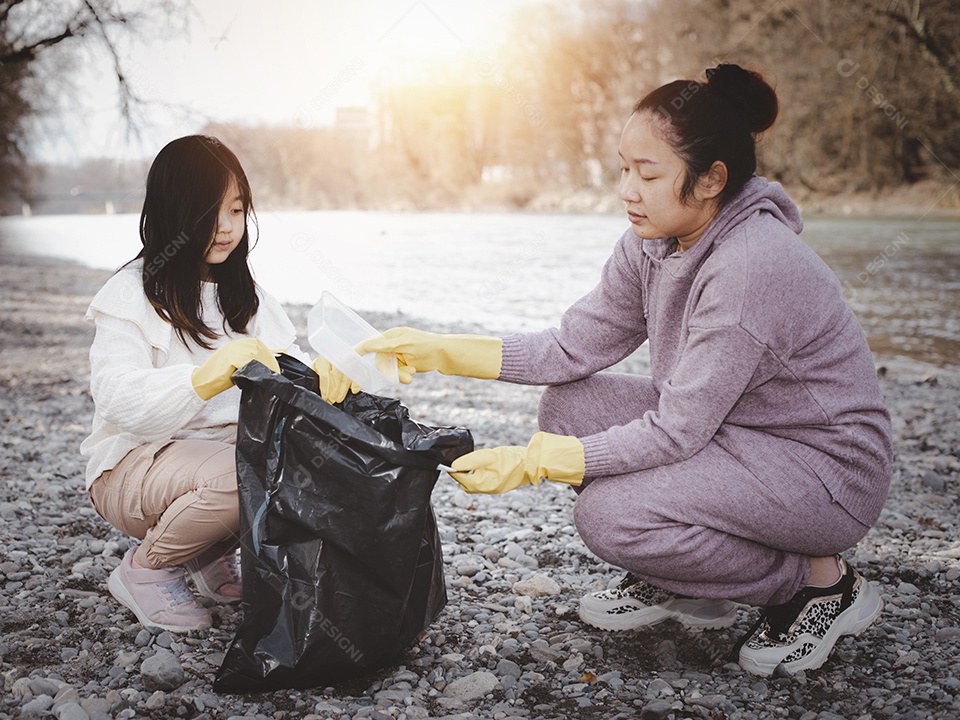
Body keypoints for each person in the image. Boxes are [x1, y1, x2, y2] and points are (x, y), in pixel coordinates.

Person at [361, 64, 892, 677]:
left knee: (610, 518)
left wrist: (532, 463)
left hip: (825, 471)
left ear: (711, 179)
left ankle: (818, 584)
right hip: (738, 435)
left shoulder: (749, 269)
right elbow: (571, 348)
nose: (626, 190)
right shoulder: (653, 240)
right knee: (568, 408)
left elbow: (676, 432)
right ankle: (688, 578)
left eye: (648, 173)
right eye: (623, 168)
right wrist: (438, 350)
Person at [80, 135, 353, 632]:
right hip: (131, 468)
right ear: (172, 211)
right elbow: (118, 400)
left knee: (300, 455)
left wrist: (331, 373)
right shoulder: (133, 293)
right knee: (241, 473)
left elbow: (287, 369)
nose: (226, 227)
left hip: (210, 465)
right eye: (210, 212)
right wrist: (204, 380)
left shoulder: (248, 298)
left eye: (237, 209)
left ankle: (206, 558)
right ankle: (145, 569)